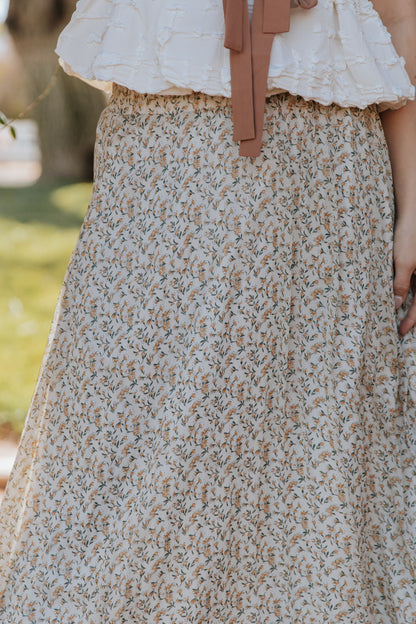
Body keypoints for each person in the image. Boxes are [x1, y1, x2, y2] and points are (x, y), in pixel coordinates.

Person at [1, 0, 416, 621]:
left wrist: (414, 209)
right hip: (159, 167)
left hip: (324, 180)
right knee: (130, 429)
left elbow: (402, 19)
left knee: (312, 438)